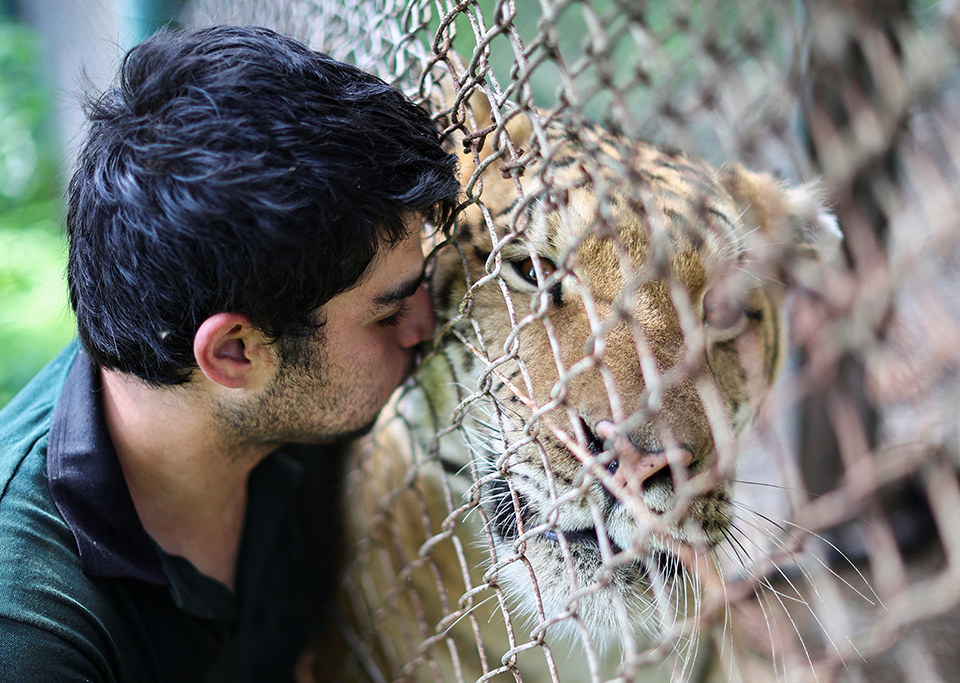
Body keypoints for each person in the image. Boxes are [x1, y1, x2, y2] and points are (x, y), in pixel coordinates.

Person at [0, 25, 459, 682]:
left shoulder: (275, 392)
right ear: (236, 353)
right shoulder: (31, 631)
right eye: (389, 309)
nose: (427, 323)